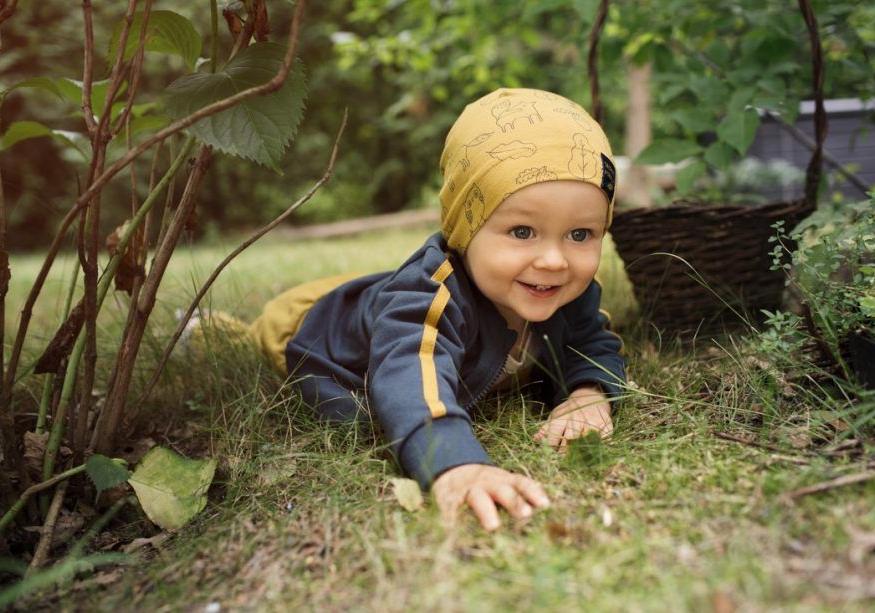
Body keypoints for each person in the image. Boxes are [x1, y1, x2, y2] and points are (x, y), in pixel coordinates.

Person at [242, 87, 625, 530]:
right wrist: (453, 461)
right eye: (523, 231)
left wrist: (587, 394)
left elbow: (592, 342)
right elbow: (408, 367)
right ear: (465, 228)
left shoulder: (565, 288)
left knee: (383, 295)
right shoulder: (430, 295)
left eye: (580, 235)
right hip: (310, 325)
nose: (555, 260)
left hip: (377, 297)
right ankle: (206, 327)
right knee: (310, 369)